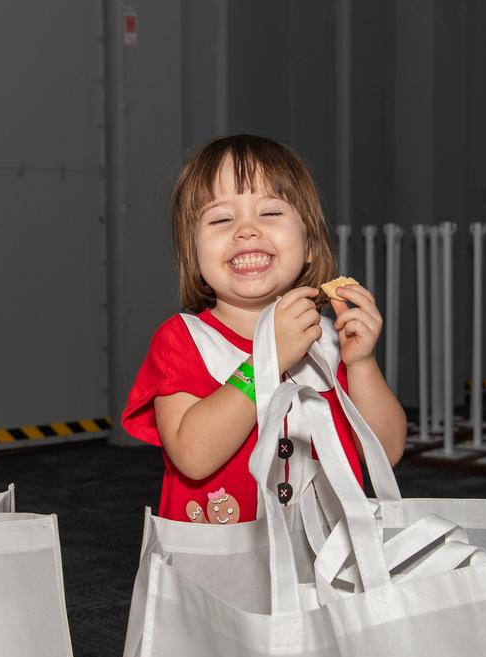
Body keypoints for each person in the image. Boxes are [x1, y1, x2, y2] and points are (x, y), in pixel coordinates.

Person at [121, 135, 405, 524]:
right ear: (195, 253)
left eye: (270, 213)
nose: (246, 230)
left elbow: (385, 453)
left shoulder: (330, 339)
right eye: (222, 219)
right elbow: (193, 456)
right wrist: (266, 361)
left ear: (308, 244)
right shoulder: (182, 340)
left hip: (321, 562)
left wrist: (362, 365)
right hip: (220, 568)